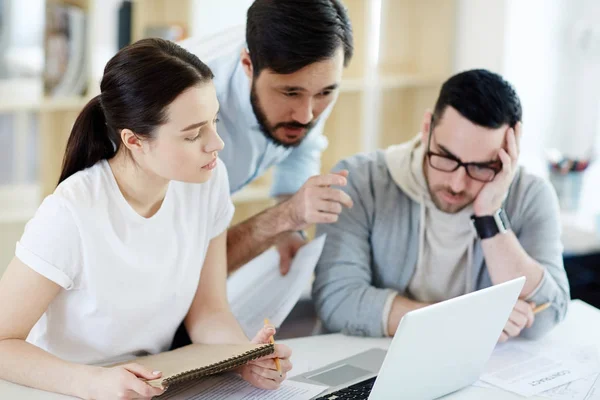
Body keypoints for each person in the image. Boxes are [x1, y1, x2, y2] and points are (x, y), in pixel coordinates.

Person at [0, 38, 291, 399]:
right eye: (193, 134)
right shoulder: (71, 212)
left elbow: (209, 312)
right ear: (134, 141)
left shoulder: (207, 181)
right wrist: (92, 382)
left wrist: (243, 356)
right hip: (66, 391)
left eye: (214, 121)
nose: (216, 143)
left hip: (154, 386)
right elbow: (2, 342)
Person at [313, 69, 570, 340]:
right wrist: (463, 320)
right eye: (447, 157)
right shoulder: (362, 181)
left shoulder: (532, 196)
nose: (457, 184)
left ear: (509, 154)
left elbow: (547, 316)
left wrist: (490, 216)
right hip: (372, 363)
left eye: (481, 167)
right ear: (427, 128)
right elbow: (337, 302)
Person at [180, 0, 355, 275]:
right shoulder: (183, 108)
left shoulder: (314, 81)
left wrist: (289, 232)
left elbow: (300, 149)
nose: (306, 116)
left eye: (324, 93)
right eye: (290, 93)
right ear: (248, 64)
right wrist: (286, 217)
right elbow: (183, 263)